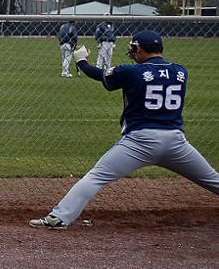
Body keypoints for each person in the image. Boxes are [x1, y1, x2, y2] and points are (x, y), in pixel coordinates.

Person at [31, 31, 219, 229]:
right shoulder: (181, 72)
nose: (131, 51)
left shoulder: (131, 71)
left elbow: (100, 75)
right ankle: (59, 217)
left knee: (96, 177)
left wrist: (81, 62)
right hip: (176, 142)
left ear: (140, 48)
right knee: (212, 179)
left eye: (133, 47)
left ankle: (59, 218)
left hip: (139, 141)